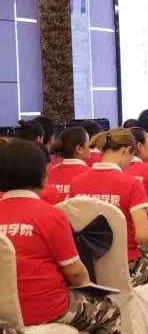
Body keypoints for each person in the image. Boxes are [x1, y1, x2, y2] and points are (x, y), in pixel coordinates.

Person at [0, 140, 121, 332]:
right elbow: (75, 273)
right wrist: (88, 288)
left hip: (3, 316)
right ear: (43, 174)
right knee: (110, 311)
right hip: (45, 309)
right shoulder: (50, 215)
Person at [68, 129, 148, 295]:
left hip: (88, 264)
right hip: (126, 266)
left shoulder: (76, 182)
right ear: (126, 150)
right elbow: (143, 236)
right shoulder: (131, 184)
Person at [47, 127, 91, 200]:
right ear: (79, 149)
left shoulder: (49, 173)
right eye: (89, 143)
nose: (91, 146)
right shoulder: (89, 174)